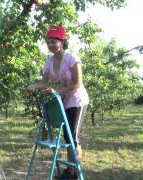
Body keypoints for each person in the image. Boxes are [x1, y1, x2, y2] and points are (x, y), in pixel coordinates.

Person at [27, 26, 89, 178]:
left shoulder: (72, 58)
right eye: (48, 42)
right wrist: (34, 85)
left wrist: (58, 92)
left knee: (73, 136)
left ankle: (75, 172)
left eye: (53, 41)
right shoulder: (49, 60)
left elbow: (78, 83)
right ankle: (70, 170)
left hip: (78, 100)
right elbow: (45, 81)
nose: (50, 45)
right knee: (68, 136)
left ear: (62, 42)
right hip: (65, 101)